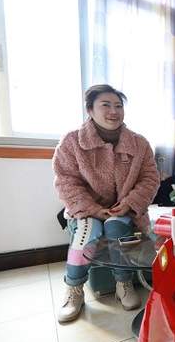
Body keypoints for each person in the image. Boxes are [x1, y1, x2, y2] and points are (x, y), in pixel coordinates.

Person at [52, 84, 160, 323]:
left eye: (118, 106)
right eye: (106, 105)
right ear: (90, 110)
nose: (114, 111)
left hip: (124, 209)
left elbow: (150, 179)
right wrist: (93, 209)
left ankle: (123, 283)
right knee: (87, 230)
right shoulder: (72, 141)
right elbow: (66, 181)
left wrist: (130, 203)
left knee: (116, 227)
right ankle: (74, 288)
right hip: (85, 210)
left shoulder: (139, 144)